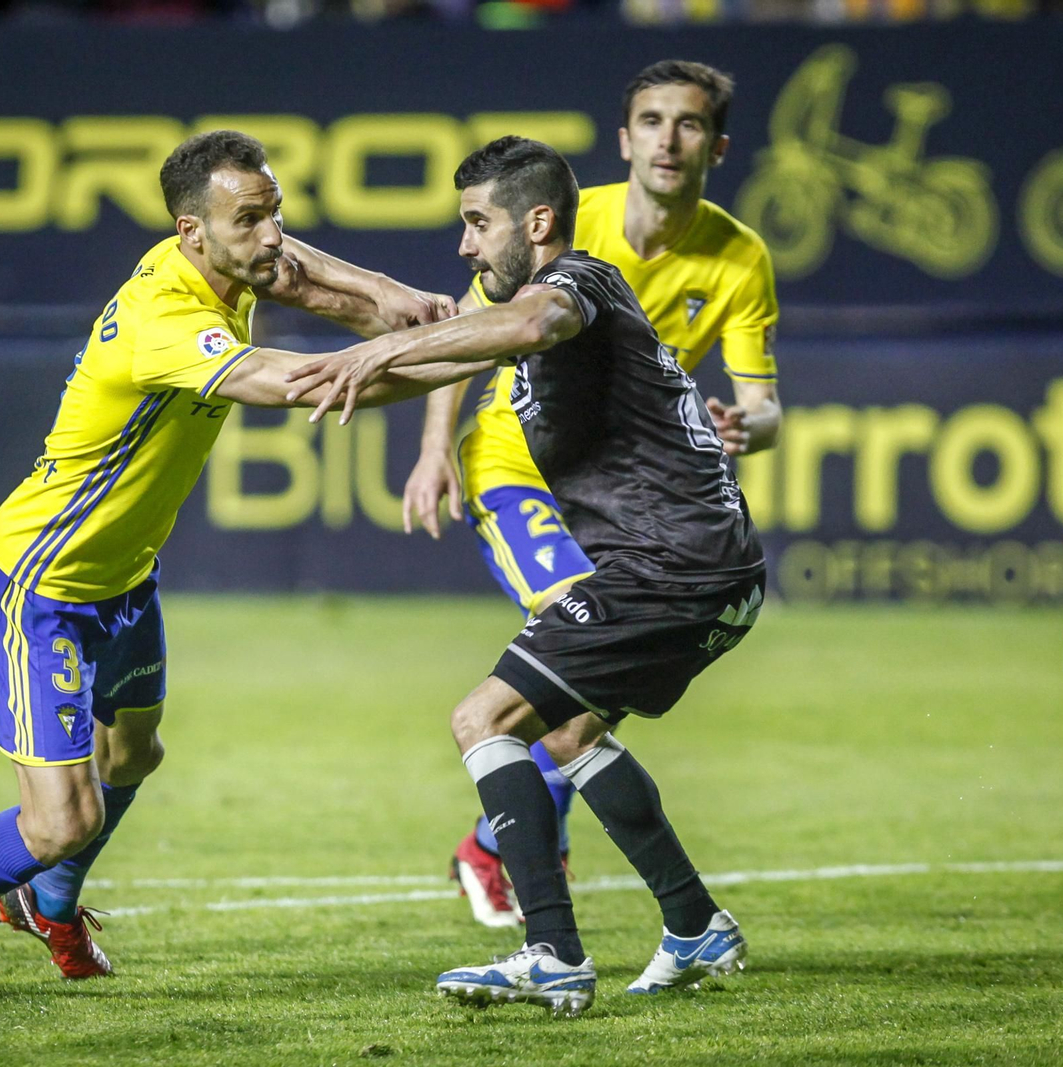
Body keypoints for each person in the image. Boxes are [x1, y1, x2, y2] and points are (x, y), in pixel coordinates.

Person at [0, 129, 486, 1005]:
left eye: (275, 210)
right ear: (190, 232)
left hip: (125, 576)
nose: (272, 235)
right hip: (41, 582)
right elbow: (300, 385)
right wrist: (456, 349)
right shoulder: (162, 320)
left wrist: (400, 300)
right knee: (65, 819)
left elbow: (303, 272)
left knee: (134, 753)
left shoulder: (222, 258)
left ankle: (47, 904)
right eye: (252, 219)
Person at [283, 135, 764, 1016]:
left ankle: (551, 950)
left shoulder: (575, 284)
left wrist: (376, 356)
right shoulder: (529, 311)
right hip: (712, 575)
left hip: (669, 570)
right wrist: (356, 346)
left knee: (483, 716)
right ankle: (695, 923)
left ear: (537, 222)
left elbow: (533, 322)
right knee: (570, 730)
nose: (465, 245)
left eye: (477, 223)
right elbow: (443, 354)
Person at [401, 59, 781, 928]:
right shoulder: (566, 223)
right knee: (565, 670)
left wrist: (746, 426)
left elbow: (762, 402)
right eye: (651, 120)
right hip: (513, 468)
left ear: (715, 146)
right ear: (625, 138)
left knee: (567, 707)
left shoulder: (739, 255)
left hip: (621, 499)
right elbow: (471, 331)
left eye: (687, 124)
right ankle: (547, 877)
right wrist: (434, 450)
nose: (667, 139)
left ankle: (514, 857)